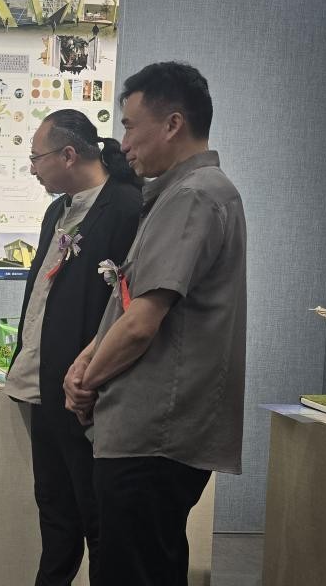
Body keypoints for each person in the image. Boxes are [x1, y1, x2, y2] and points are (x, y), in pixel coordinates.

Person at [64, 61, 247, 586]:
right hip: (149, 432)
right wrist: (86, 360)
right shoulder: (181, 193)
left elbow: (142, 322)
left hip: (152, 433)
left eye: (130, 126)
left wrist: (85, 381)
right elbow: (128, 302)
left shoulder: (194, 195)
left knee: (132, 570)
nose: (122, 143)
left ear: (172, 124)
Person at [4, 109, 142, 585]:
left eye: (35, 158)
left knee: (98, 517)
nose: (32, 168)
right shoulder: (57, 211)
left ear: (67, 155)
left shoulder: (126, 208)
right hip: (46, 386)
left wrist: (92, 373)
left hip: (88, 393)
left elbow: (129, 307)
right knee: (55, 509)